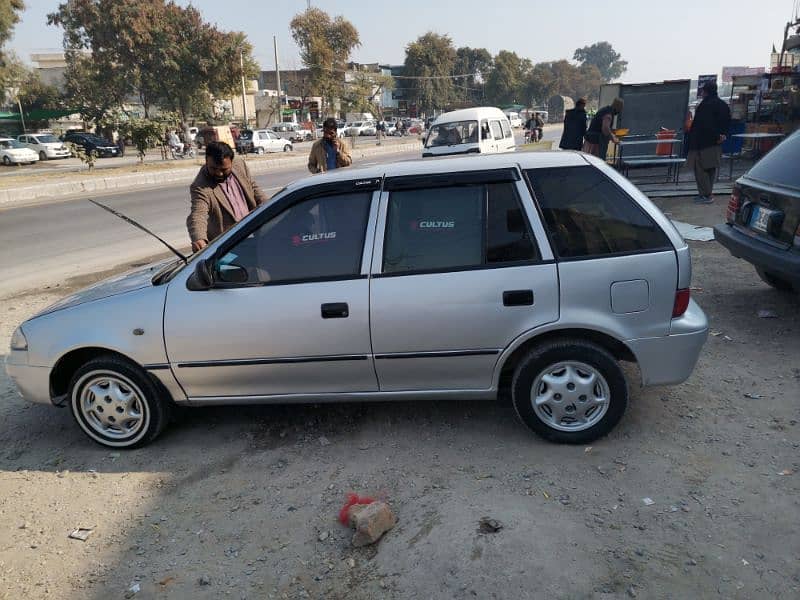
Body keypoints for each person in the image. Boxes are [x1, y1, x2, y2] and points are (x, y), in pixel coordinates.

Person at [187, 141, 268, 252]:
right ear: (206, 162)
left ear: (231, 161)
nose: (219, 174)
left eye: (224, 170)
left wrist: (269, 207)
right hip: (229, 245)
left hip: (255, 234)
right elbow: (198, 214)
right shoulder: (200, 186)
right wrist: (199, 238)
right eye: (214, 169)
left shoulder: (239, 164)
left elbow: (253, 188)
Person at [686, 81, 730, 204]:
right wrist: (722, 135)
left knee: (701, 170)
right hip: (716, 143)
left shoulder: (705, 105)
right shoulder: (723, 105)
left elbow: (704, 124)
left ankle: (706, 195)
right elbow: (727, 121)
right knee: (711, 169)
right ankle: (708, 193)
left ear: (705, 91)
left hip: (703, 143)